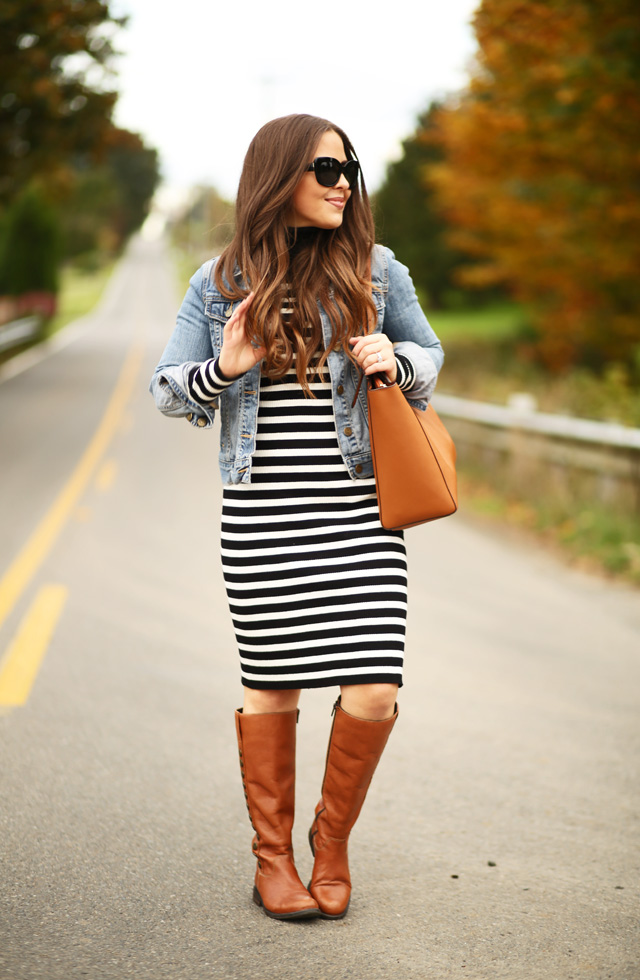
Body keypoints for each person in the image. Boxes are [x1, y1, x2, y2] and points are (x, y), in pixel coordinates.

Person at [150, 114, 444, 921]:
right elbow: (168, 389)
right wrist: (225, 366)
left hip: (360, 515)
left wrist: (400, 360)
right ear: (280, 174)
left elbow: (431, 357)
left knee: (376, 687)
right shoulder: (219, 285)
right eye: (324, 168)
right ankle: (272, 860)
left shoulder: (380, 273)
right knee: (274, 688)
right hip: (265, 518)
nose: (342, 182)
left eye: (349, 168)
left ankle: (332, 842)